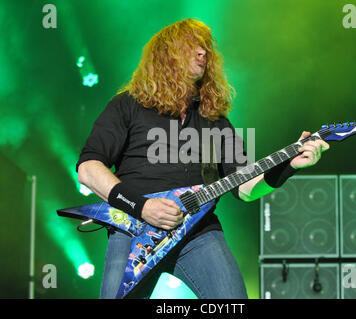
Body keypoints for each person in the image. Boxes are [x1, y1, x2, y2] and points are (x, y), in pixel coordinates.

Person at [76, 18, 329, 299]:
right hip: (135, 227)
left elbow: (244, 187)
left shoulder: (214, 121)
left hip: (199, 231)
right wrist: (143, 207)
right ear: (167, 54)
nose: (203, 53)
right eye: (192, 46)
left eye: (206, 48)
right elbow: (88, 169)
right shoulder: (128, 105)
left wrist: (288, 165)